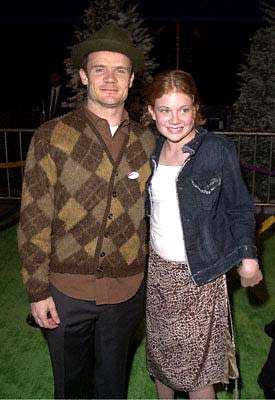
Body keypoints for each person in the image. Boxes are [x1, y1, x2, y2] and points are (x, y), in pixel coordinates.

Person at [18, 23, 155, 399]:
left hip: (127, 293)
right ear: (83, 75)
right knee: (71, 389)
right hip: (65, 293)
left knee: (113, 389)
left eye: (120, 70)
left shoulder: (147, 140)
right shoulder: (52, 135)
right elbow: (33, 218)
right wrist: (37, 289)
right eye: (100, 69)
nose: (110, 79)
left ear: (131, 79)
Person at [143, 69, 263, 399]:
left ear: (196, 108)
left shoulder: (216, 150)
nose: (175, 119)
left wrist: (248, 257)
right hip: (157, 273)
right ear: (152, 112)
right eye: (165, 110)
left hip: (200, 275)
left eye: (183, 109)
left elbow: (239, 208)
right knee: (161, 357)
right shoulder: (149, 149)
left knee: (197, 370)